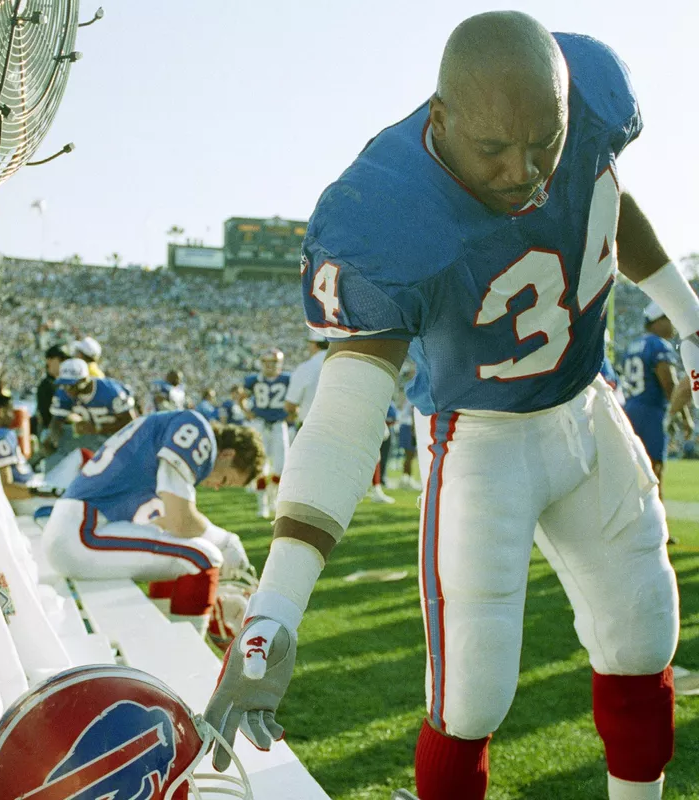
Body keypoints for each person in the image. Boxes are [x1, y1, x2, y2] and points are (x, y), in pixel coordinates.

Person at [204, 12, 699, 800]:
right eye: (495, 149)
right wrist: (277, 605)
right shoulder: (388, 207)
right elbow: (347, 412)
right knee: (471, 692)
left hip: (586, 406)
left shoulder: (593, 98)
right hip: (482, 442)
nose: (524, 171)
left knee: (645, 635)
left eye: (545, 141)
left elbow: (603, 196)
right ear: (441, 120)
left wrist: (687, 310)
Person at [42, 410, 266, 634]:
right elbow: (181, 522)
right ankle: (186, 654)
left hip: (75, 527)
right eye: (225, 480)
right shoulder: (195, 428)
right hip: (82, 531)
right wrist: (225, 541)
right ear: (227, 454)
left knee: (179, 550)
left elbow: (167, 524)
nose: (217, 486)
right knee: (203, 558)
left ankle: (159, 634)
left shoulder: (166, 433)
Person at [622, 303, 692, 497]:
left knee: (634, 472)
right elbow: (670, 386)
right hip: (651, 412)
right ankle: (655, 522)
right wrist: (685, 417)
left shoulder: (632, 345)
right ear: (657, 321)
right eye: (668, 319)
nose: (673, 325)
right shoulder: (658, 345)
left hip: (630, 409)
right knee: (654, 471)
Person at [45, 358, 136, 465]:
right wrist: (55, 439)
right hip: (92, 438)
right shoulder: (63, 393)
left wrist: (98, 429)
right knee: (47, 438)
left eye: (70, 384)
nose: (66, 389)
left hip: (116, 438)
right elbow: (56, 420)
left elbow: (131, 422)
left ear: (84, 380)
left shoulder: (110, 391)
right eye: (64, 384)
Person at [243, 348, 291, 519]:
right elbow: (240, 394)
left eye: (274, 363)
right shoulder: (252, 380)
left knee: (281, 467)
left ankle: (273, 498)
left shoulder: (287, 379)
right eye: (267, 363)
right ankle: (262, 504)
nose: (270, 366)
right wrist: (245, 410)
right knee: (260, 464)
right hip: (260, 423)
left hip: (279, 424)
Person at [284, 331, 329, 427]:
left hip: (310, 426)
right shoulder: (344, 365)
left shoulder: (306, 367)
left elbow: (290, 405)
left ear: (314, 345)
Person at [35, 344, 69, 435]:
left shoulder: (65, 384)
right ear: (49, 360)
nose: (64, 363)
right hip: (53, 436)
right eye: (61, 359)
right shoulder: (46, 386)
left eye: (66, 360)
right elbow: (48, 418)